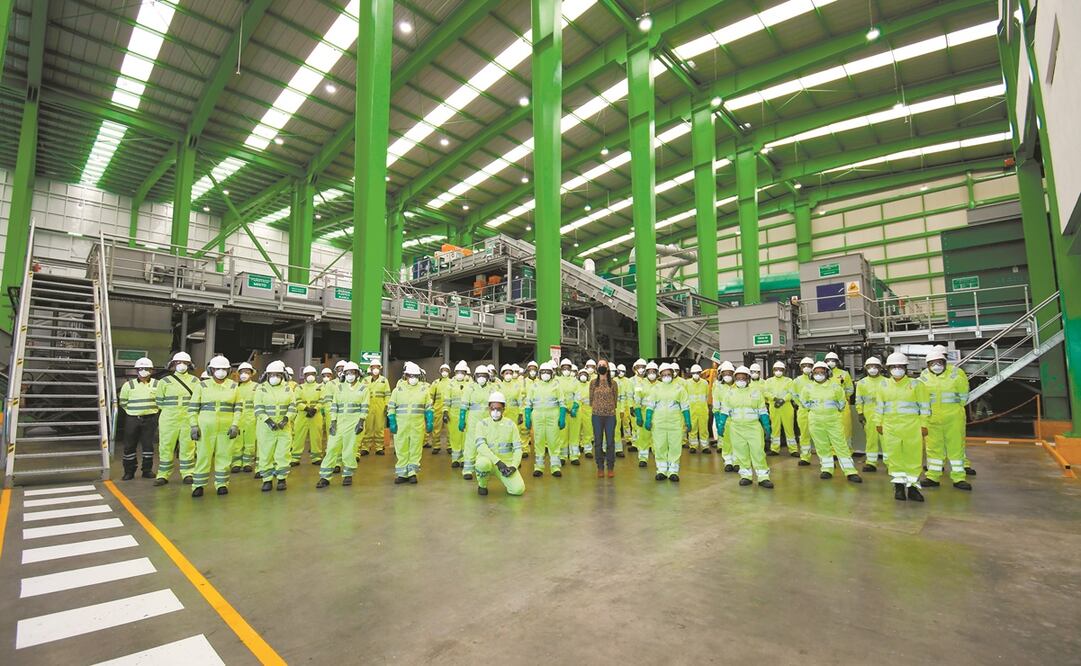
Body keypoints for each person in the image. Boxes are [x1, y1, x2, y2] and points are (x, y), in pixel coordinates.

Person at [876, 352, 930, 502]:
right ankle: (899, 487)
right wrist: (878, 423)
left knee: (913, 457)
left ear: (906, 368)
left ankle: (912, 488)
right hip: (890, 427)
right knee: (894, 457)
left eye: (900, 366)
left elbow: (924, 406)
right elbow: (879, 406)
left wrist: (924, 425)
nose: (897, 369)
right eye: (893, 366)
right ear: (888, 369)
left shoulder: (916, 384)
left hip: (912, 427)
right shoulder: (883, 385)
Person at [799, 362, 862, 483]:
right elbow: (804, 403)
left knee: (841, 445)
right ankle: (827, 469)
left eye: (822, 372)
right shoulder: (807, 388)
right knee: (821, 446)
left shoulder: (835, 387)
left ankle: (850, 472)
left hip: (833, 421)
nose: (819, 375)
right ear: (812, 374)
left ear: (827, 373)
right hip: (816, 421)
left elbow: (842, 403)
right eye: (816, 373)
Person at [187, 355, 241, 497]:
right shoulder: (202, 386)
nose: (221, 372)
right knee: (203, 456)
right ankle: (198, 485)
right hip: (205, 428)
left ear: (228, 371)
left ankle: (222, 484)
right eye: (217, 369)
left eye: (224, 369)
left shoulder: (234, 386)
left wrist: (235, 425)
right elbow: (192, 408)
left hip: (226, 428)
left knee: (224, 455)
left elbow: (238, 408)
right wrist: (193, 426)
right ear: (211, 370)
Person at [920, 345, 976, 476]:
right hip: (933, 418)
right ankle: (935, 471)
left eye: (940, 361)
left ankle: (961, 470)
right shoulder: (924, 375)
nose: (936, 365)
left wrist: (956, 409)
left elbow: (963, 395)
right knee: (933, 446)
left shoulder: (956, 373)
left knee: (956, 444)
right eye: (933, 362)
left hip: (953, 416)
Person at [716, 366, 774, 488]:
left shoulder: (756, 393)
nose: (740, 380)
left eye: (743, 378)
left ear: (748, 378)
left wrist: (766, 425)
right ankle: (746, 476)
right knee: (741, 452)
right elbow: (724, 411)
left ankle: (763, 477)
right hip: (736, 428)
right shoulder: (730, 393)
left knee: (758, 451)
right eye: (738, 378)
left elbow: (763, 410)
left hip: (753, 427)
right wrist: (721, 425)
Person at [318, 361, 369, 488]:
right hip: (339, 423)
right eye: (347, 373)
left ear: (357, 374)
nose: (350, 375)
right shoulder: (339, 387)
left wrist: (361, 421)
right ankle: (325, 477)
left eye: (353, 372)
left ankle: (347, 475)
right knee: (331, 448)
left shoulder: (363, 388)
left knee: (349, 450)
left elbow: (365, 407)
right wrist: (333, 421)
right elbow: (334, 405)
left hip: (354, 423)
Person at [154, 351, 199, 486]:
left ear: (189, 365)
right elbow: (159, 401)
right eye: (178, 362)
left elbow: (198, 400)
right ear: (173, 364)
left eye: (185, 363)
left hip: (188, 419)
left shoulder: (195, 381)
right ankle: (163, 475)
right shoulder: (164, 381)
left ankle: (188, 473)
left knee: (188, 446)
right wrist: (171, 411)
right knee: (166, 446)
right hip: (169, 419)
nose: (181, 365)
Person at [387, 362, 433, 484]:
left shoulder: (424, 390)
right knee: (401, 448)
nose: (413, 378)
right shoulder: (398, 390)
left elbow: (428, 407)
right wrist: (392, 421)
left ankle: (412, 473)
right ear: (406, 376)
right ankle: (402, 474)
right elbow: (391, 407)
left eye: (415, 376)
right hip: (401, 425)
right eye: (411, 376)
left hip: (417, 425)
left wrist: (430, 420)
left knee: (415, 448)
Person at [254, 360, 297, 491]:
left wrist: (286, 419)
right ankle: (267, 480)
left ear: (282, 375)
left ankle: (281, 479)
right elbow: (258, 407)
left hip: (284, 428)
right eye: (272, 374)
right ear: (267, 375)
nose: (274, 377)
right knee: (265, 454)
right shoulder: (261, 388)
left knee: (283, 454)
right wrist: (268, 421)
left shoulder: (287, 388)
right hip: (266, 428)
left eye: (277, 375)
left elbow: (293, 406)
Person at [472, 392, 525, 496]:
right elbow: (481, 446)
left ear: (504, 409)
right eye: (492, 409)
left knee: (518, 490)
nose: (495, 412)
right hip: (488, 461)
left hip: (506, 463)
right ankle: (482, 485)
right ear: (489, 409)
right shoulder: (481, 424)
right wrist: (498, 462)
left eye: (498, 409)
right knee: (482, 464)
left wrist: (514, 466)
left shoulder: (511, 425)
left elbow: (518, 448)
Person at [643, 363, 689, 482]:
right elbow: (650, 406)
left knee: (675, 447)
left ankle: (673, 471)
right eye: (664, 375)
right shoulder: (655, 389)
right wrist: (648, 419)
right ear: (660, 375)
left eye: (668, 374)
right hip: (659, 424)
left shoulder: (679, 389)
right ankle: (661, 471)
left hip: (675, 424)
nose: (666, 376)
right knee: (659, 447)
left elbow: (685, 407)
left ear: (673, 374)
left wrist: (688, 421)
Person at [118, 357, 159, 480]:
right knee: (129, 446)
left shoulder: (158, 384)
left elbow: (161, 400)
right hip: (132, 418)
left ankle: (147, 470)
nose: (143, 371)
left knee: (148, 446)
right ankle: (129, 471)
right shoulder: (128, 385)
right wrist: (133, 411)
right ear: (136, 370)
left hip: (150, 418)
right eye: (141, 368)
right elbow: (123, 402)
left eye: (146, 368)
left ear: (151, 370)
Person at [526, 361, 566, 477]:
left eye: (547, 372)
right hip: (537, 416)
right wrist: (527, 417)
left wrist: (562, 416)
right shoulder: (534, 386)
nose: (545, 374)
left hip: (553, 416)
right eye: (543, 372)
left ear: (552, 373)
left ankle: (555, 467)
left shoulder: (556, 385)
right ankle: (539, 467)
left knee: (554, 441)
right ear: (539, 374)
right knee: (538, 441)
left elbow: (562, 402)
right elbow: (528, 403)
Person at [459, 364, 492, 480]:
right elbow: (463, 406)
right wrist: (462, 419)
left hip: (488, 421)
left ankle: (483, 468)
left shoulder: (492, 389)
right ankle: (468, 469)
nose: (481, 378)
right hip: (473, 421)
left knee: (486, 444)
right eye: (479, 376)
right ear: (475, 376)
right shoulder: (469, 389)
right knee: (471, 444)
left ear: (488, 377)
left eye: (484, 376)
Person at [855, 357, 886, 472]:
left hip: (885, 415)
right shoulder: (862, 383)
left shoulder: (887, 382)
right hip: (869, 415)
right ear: (866, 368)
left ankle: (890, 463)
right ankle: (871, 463)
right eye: (869, 367)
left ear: (880, 368)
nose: (872, 369)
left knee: (886, 440)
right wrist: (860, 413)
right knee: (871, 439)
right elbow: (859, 399)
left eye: (875, 366)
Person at [589, 360, 618, 478]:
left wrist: (608, 407)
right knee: (598, 442)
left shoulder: (613, 383)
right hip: (596, 416)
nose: (601, 367)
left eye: (604, 365)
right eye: (599, 365)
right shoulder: (593, 383)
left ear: (608, 368)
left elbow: (615, 399)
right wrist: (598, 407)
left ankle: (610, 467)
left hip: (610, 416)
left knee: (610, 442)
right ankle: (600, 467)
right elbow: (591, 399)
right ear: (597, 368)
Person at [292, 365, 324, 467]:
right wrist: (306, 409)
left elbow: (322, 400)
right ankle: (295, 458)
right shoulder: (299, 387)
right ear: (304, 376)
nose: (310, 376)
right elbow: (296, 401)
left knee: (316, 437)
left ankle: (316, 457)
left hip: (316, 416)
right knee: (298, 437)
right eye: (308, 374)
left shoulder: (320, 387)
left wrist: (315, 409)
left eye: (312, 374)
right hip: (302, 415)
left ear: (315, 375)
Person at [824, 351, 856, 453]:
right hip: (828, 406)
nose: (830, 362)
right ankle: (833, 452)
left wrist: (842, 398)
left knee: (845, 428)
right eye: (828, 360)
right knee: (831, 429)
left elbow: (850, 389)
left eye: (833, 360)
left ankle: (847, 451)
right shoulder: (823, 374)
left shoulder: (844, 374)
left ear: (837, 362)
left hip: (842, 405)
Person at [763, 361, 797, 457]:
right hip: (774, 407)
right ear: (773, 370)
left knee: (789, 429)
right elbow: (765, 392)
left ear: (784, 371)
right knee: (775, 429)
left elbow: (792, 393)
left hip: (786, 407)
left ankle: (793, 450)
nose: (778, 371)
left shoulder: (789, 381)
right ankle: (775, 449)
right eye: (776, 369)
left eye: (780, 370)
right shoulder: (768, 381)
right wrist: (774, 398)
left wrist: (783, 400)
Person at [634, 361, 660, 468]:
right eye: (649, 372)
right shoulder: (640, 384)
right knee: (643, 437)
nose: (651, 374)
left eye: (654, 372)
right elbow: (637, 400)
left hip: (657, 415)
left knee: (657, 438)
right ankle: (643, 458)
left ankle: (659, 457)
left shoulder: (661, 385)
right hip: (644, 414)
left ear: (657, 373)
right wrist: (638, 415)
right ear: (646, 372)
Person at [712, 360, 737, 471]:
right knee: (726, 441)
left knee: (737, 441)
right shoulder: (719, 387)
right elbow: (716, 404)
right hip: (724, 417)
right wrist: (718, 419)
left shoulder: (738, 386)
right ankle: (728, 462)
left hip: (737, 418)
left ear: (733, 374)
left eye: (729, 373)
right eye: (725, 373)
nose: (727, 375)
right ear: (721, 374)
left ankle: (737, 461)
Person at [791, 357, 816, 466]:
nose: (807, 368)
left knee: (820, 436)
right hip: (803, 411)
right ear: (801, 368)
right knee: (804, 435)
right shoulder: (797, 381)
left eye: (809, 366)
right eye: (804, 366)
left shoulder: (817, 379)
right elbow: (794, 395)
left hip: (817, 411)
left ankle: (825, 459)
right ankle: (805, 457)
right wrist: (802, 404)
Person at [233, 362, 258, 473]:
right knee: (236, 442)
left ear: (251, 374)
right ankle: (236, 463)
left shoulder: (256, 387)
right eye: (242, 372)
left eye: (247, 372)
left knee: (250, 441)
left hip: (251, 418)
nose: (244, 374)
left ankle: (247, 463)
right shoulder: (235, 386)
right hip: (237, 418)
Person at [447, 361, 471, 468]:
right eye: (458, 372)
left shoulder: (470, 385)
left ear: (465, 373)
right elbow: (447, 400)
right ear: (455, 372)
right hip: (453, 415)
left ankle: (464, 458)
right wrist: (445, 411)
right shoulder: (450, 385)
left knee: (466, 437)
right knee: (455, 437)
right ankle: (455, 459)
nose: (460, 374)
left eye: (462, 372)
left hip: (467, 415)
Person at [685, 364, 710, 454]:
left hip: (703, 410)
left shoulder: (705, 383)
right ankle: (693, 446)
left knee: (704, 429)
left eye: (697, 372)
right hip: (691, 410)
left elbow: (706, 396)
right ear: (691, 373)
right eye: (694, 373)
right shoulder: (687, 383)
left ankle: (705, 446)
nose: (696, 374)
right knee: (692, 429)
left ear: (700, 373)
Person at [568, 367, 592, 462]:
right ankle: (575, 450)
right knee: (575, 431)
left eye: (585, 375)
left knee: (588, 430)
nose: (583, 376)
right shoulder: (575, 384)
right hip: (577, 410)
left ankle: (588, 449)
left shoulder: (591, 385)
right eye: (581, 374)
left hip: (588, 410)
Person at [427, 363, 452, 453]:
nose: (444, 372)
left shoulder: (452, 382)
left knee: (450, 429)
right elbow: (430, 396)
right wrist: (430, 407)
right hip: (437, 409)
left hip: (449, 409)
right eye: (443, 370)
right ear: (440, 372)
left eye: (446, 370)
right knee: (436, 429)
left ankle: (450, 446)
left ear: (449, 372)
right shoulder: (435, 383)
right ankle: (436, 446)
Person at [627, 359, 648, 453]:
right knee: (635, 426)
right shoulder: (631, 381)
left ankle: (648, 444)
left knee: (647, 426)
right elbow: (629, 395)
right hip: (636, 407)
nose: (641, 369)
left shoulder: (647, 381)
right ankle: (635, 444)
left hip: (647, 407)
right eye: (639, 367)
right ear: (635, 368)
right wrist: (631, 407)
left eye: (643, 367)